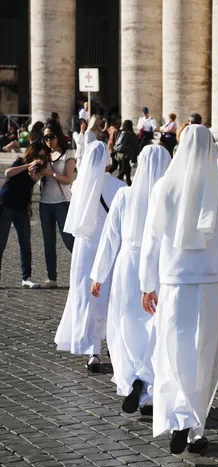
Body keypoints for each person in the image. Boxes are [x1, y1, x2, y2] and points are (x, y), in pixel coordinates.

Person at [139, 125, 218, 454]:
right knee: (207, 356)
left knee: (176, 351)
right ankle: (195, 429)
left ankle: (179, 416)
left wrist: (146, 285)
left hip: (175, 281)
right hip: (216, 284)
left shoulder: (165, 186)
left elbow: (151, 241)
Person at [91, 145, 171, 409]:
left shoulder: (124, 195)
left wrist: (98, 275)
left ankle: (132, 379)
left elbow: (110, 237)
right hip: (158, 265)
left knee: (126, 324)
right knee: (155, 325)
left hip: (127, 264)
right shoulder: (169, 195)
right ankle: (148, 386)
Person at [55, 141, 124, 371]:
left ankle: (92, 351)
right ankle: (115, 348)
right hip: (108, 246)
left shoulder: (79, 186)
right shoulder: (118, 186)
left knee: (87, 296)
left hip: (85, 247)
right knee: (110, 296)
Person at [0, 141, 48, 288]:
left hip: (21, 207)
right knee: (1, 243)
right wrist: (28, 165)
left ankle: (26, 277)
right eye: (39, 155)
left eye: (43, 156)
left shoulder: (37, 170)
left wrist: (29, 204)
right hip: (6, 204)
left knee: (25, 242)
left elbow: (29, 187)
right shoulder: (20, 161)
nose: (41, 159)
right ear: (32, 153)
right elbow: (8, 173)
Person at [39, 119, 76, 288]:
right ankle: (51, 278)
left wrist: (50, 173)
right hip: (44, 203)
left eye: (51, 137)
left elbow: (68, 179)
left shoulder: (68, 155)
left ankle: (83, 271)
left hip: (62, 202)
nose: (48, 141)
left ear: (58, 136)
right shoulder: (43, 155)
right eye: (45, 137)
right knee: (48, 241)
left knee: (69, 240)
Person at [114, 120, 140, 186]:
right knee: (124, 169)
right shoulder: (131, 134)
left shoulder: (121, 133)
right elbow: (135, 145)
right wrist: (136, 154)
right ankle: (116, 181)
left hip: (120, 154)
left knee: (125, 169)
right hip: (127, 155)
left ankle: (128, 184)